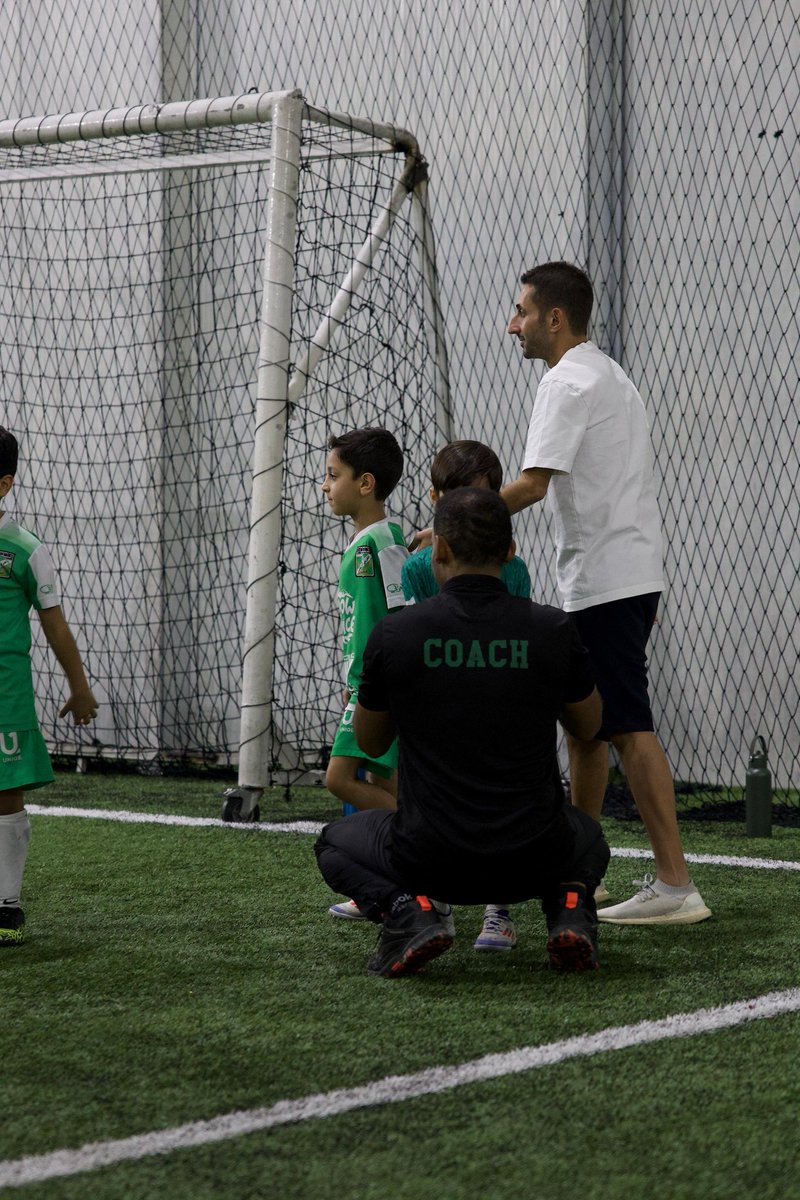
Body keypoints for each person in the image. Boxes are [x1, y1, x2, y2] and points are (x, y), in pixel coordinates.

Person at [315, 487, 610, 978]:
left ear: (441, 550)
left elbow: (370, 744)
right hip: (533, 855)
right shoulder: (552, 629)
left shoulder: (396, 634)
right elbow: (589, 727)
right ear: (511, 552)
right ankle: (571, 908)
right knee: (591, 838)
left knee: (332, 843)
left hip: (429, 859)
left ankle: (412, 911)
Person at [503, 261, 710, 925]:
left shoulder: (566, 382)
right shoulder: (607, 372)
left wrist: (456, 520)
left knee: (624, 726)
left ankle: (675, 884)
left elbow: (532, 484)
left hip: (606, 582)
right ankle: (577, 870)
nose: (514, 325)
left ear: (554, 318)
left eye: (523, 312)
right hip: (619, 575)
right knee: (588, 727)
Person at [402, 439, 531, 952]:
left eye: (487, 504)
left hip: (497, 712)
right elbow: (411, 641)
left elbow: (519, 639)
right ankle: (436, 900)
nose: (475, 515)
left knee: (502, 801)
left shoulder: (513, 571)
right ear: (436, 499)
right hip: (439, 716)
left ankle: (500, 908)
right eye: (463, 504)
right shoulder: (417, 569)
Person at [0, 426, 98, 945]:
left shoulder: (25, 549)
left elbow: (55, 624)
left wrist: (79, 687)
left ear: (4, 484)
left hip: (5, 692)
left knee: (5, 792)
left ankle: (6, 906)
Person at [321, 427, 408, 818]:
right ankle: (408, 856)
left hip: (380, 687)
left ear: (365, 483)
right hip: (364, 686)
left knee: (338, 778)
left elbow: (403, 612)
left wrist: (377, 681)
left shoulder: (384, 540)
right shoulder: (362, 543)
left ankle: (423, 831)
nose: (325, 486)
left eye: (334, 475)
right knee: (383, 781)